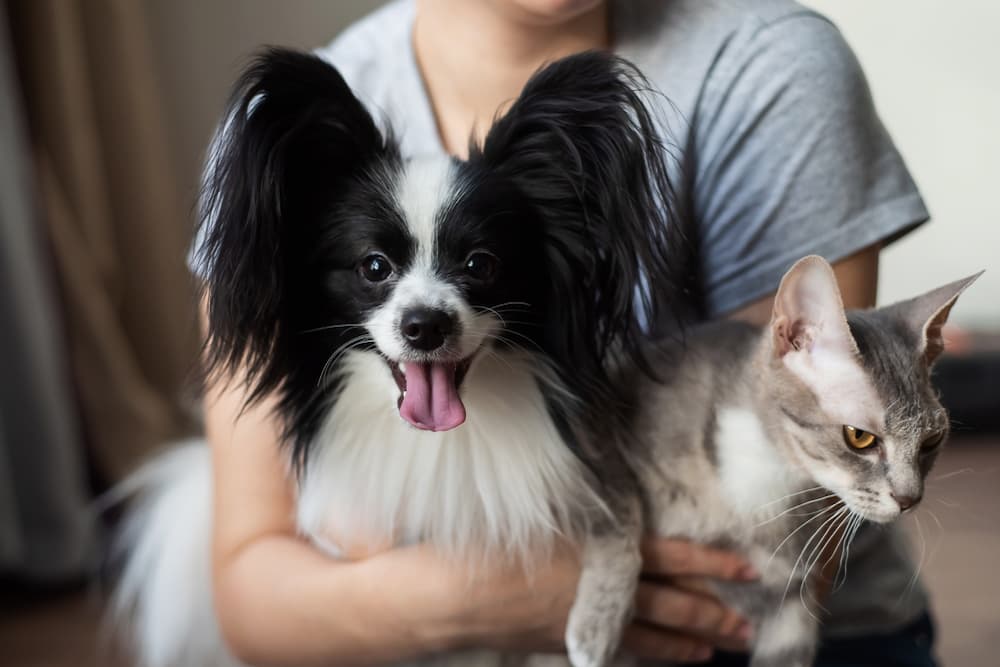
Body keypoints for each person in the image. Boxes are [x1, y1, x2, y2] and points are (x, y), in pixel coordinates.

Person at [195, 1, 934, 664]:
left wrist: (447, 583)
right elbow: (257, 598)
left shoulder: (766, 67)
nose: (421, 310)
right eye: (377, 266)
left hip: (778, 631)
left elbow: (762, 541)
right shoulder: (296, 123)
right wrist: (479, 596)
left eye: (480, 264)